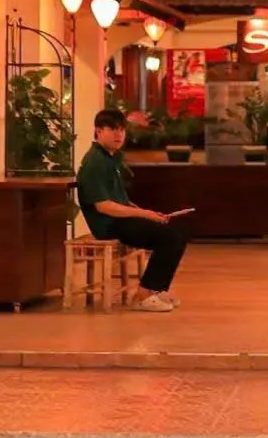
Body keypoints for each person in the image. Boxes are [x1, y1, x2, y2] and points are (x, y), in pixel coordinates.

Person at [76, 107, 188, 312]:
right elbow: (104, 206)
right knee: (168, 238)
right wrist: (144, 214)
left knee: (177, 234)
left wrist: (150, 214)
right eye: (112, 129)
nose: (119, 135)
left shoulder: (110, 158)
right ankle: (144, 294)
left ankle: (156, 289)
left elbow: (121, 200)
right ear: (98, 131)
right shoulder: (95, 162)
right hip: (109, 225)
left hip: (121, 220)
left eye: (122, 130)